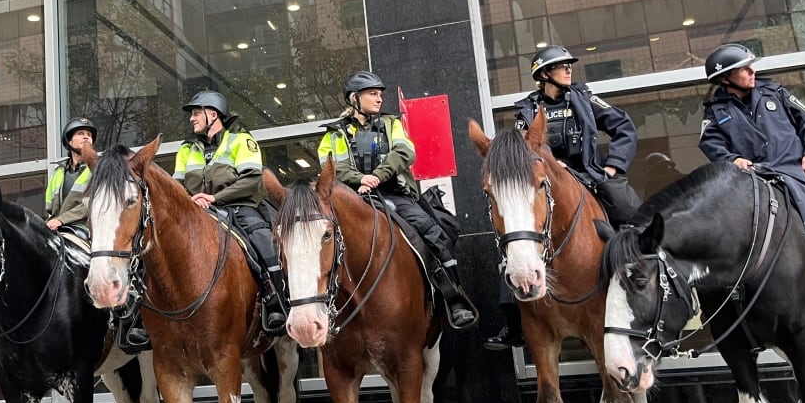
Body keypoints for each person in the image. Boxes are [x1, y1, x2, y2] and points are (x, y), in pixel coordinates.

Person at [487, 45, 643, 350]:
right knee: (515, 239)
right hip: (548, 184)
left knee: (628, 208)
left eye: (569, 66)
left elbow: (624, 128)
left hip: (590, 176)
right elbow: (523, 150)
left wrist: (613, 166)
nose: (569, 70)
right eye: (562, 66)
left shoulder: (586, 99)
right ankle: (514, 323)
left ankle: (640, 282)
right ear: (544, 74)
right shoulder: (527, 110)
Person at [701, 42, 805, 317]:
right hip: (755, 178)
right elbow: (710, 142)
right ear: (725, 79)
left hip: (798, 172)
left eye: (750, 67)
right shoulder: (715, 110)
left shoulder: (777, 93)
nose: (752, 72)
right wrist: (732, 159)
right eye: (744, 69)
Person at [318, 71, 478, 330]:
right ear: (354, 98)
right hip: (354, 199)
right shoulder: (334, 135)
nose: (379, 99)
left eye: (380, 94)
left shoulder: (391, 124)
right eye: (372, 94)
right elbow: (332, 167)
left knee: (432, 231)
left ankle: (454, 298)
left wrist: (377, 176)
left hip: (394, 194)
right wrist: (361, 179)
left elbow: (405, 152)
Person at [174, 89, 289, 334]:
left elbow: (251, 179)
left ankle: (276, 300)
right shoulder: (186, 149)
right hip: (198, 211)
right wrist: (190, 200)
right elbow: (177, 186)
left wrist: (215, 197)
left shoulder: (241, 140)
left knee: (263, 241)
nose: (192, 119)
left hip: (239, 207)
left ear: (213, 114)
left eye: (196, 113)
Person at [46, 117, 96, 234]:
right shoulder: (58, 172)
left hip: (89, 229)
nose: (86, 137)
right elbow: (49, 206)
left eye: (89, 135)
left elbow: (95, 203)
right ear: (69, 141)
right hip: (58, 227)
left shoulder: (99, 169)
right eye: (80, 133)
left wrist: (61, 220)